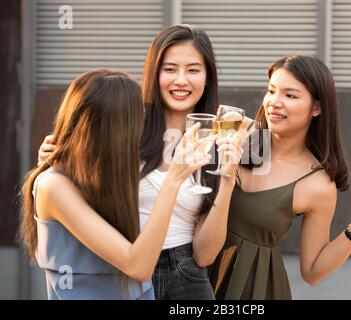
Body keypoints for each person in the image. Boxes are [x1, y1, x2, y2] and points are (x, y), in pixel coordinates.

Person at [37, 25, 242, 300]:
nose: (181, 80)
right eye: (170, 69)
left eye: (193, 70)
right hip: (120, 271)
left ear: (207, 78)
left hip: (186, 278)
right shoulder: (124, 127)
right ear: (153, 74)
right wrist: (55, 163)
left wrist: (228, 179)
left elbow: (205, 254)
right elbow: (74, 177)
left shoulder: (218, 141)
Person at [208, 54, 351, 300]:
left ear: (316, 107)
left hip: (256, 290)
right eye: (271, 91)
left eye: (290, 95)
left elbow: (312, 272)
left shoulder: (317, 183)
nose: (274, 102)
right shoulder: (235, 131)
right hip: (193, 275)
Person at [21, 68, 215, 299]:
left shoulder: (103, 172)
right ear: (111, 129)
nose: (141, 130)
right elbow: (140, 267)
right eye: (136, 120)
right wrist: (173, 180)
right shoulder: (53, 186)